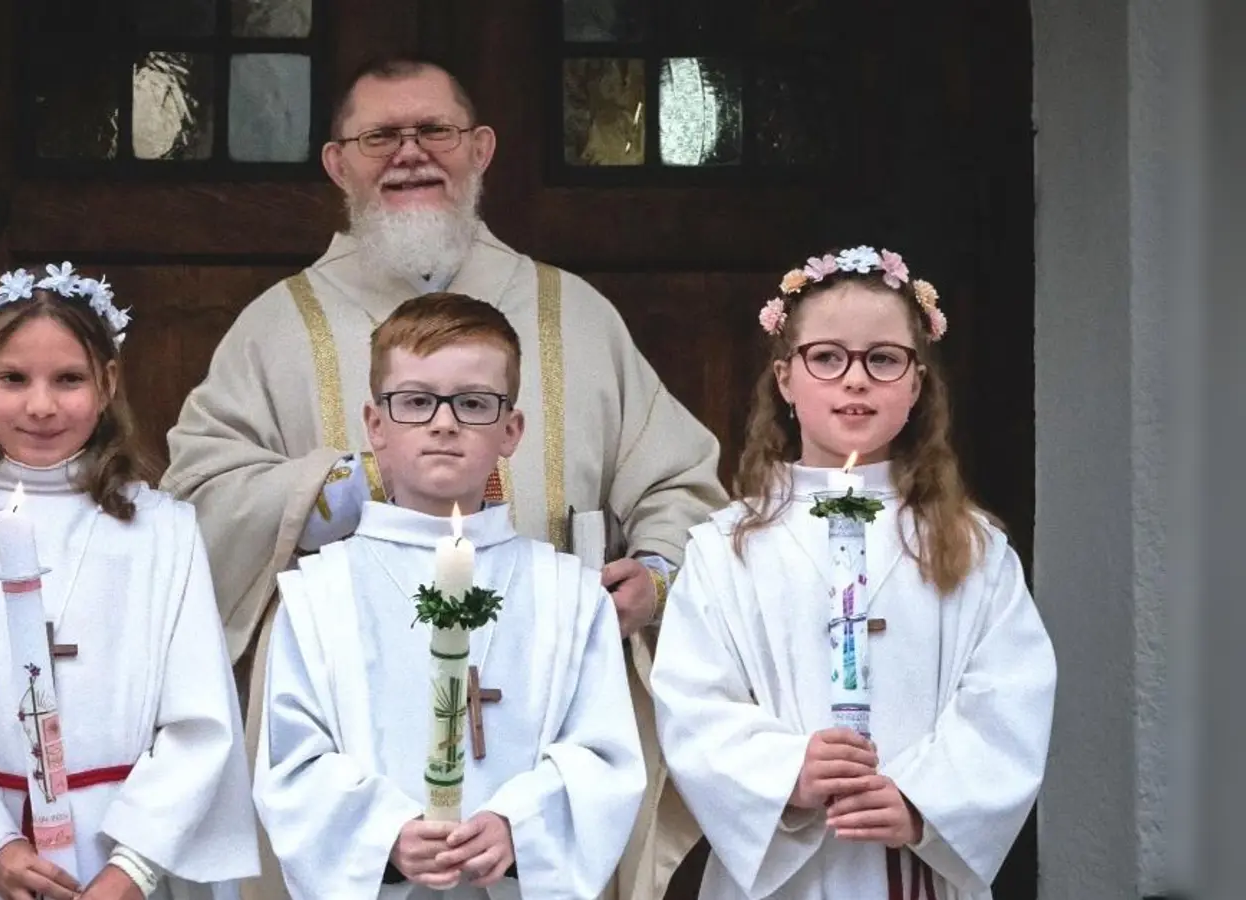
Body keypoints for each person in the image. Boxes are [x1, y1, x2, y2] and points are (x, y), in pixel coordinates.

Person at [163, 56, 723, 900]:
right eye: (380, 135)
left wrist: (657, 579)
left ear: (483, 149)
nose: (410, 153)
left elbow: (682, 484)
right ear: (336, 162)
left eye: (436, 131)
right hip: (354, 712)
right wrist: (342, 487)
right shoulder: (276, 326)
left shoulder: (575, 314)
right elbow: (196, 501)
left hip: (544, 699)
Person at [650, 247, 1057, 899]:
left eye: (884, 358)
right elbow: (695, 703)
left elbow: (1009, 695)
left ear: (917, 383)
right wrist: (789, 774)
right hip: (788, 873)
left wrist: (923, 803)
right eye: (828, 356)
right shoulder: (726, 550)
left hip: (913, 863)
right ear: (785, 377)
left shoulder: (971, 547)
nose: (856, 379)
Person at [0, 264, 259, 900]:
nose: (41, 406)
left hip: (127, 858)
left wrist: (134, 870)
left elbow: (202, 718)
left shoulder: (161, 534)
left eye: (68, 379)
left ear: (108, 382)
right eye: (13, 379)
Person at [253, 292, 646, 899]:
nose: (443, 422)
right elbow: (292, 763)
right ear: (374, 426)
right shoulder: (317, 596)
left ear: (511, 430)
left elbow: (606, 755)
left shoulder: (569, 594)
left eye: (472, 403)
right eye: (415, 401)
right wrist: (386, 834)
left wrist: (519, 825)